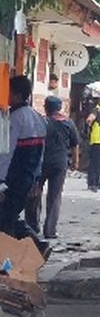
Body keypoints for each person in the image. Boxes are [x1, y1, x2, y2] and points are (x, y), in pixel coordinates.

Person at [0, 76, 46, 243]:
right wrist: (36, 179)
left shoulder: (13, 119)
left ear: (17, 95)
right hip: (28, 178)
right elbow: (41, 153)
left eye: (8, 92)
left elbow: (6, 153)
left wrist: (1, 183)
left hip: (12, 178)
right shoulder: (37, 117)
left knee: (5, 219)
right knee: (9, 216)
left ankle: (34, 246)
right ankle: (37, 245)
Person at [32, 95, 79, 240]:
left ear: (46, 107)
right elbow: (74, 144)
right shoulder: (69, 123)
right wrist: (75, 162)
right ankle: (50, 230)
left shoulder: (42, 122)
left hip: (41, 162)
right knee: (55, 196)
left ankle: (32, 227)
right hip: (60, 163)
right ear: (59, 108)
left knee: (35, 194)